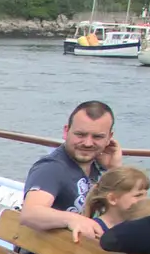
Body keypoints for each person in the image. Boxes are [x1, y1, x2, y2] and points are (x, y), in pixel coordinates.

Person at [20, 101, 124, 241]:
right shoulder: (52, 168)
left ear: (109, 138)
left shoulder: (99, 168)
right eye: (80, 134)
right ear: (66, 131)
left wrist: (114, 169)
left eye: (97, 137)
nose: (88, 143)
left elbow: (126, 209)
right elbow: (30, 213)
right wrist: (72, 219)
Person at [81, 167, 150, 235]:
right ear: (112, 199)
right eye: (138, 195)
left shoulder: (138, 226)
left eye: (145, 195)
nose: (145, 200)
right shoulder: (93, 230)